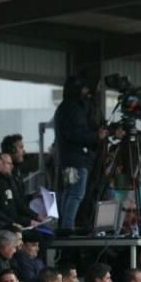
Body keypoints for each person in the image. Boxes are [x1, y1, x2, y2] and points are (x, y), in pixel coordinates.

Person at [55, 73, 101, 230]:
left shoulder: (65, 107)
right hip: (76, 160)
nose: (87, 91)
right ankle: (67, 227)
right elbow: (76, 133)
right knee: (75, 194)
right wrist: (97, 136)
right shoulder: (72, 109)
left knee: (69, 193)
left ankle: (65, 225)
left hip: (68, 160)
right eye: (85, 88)